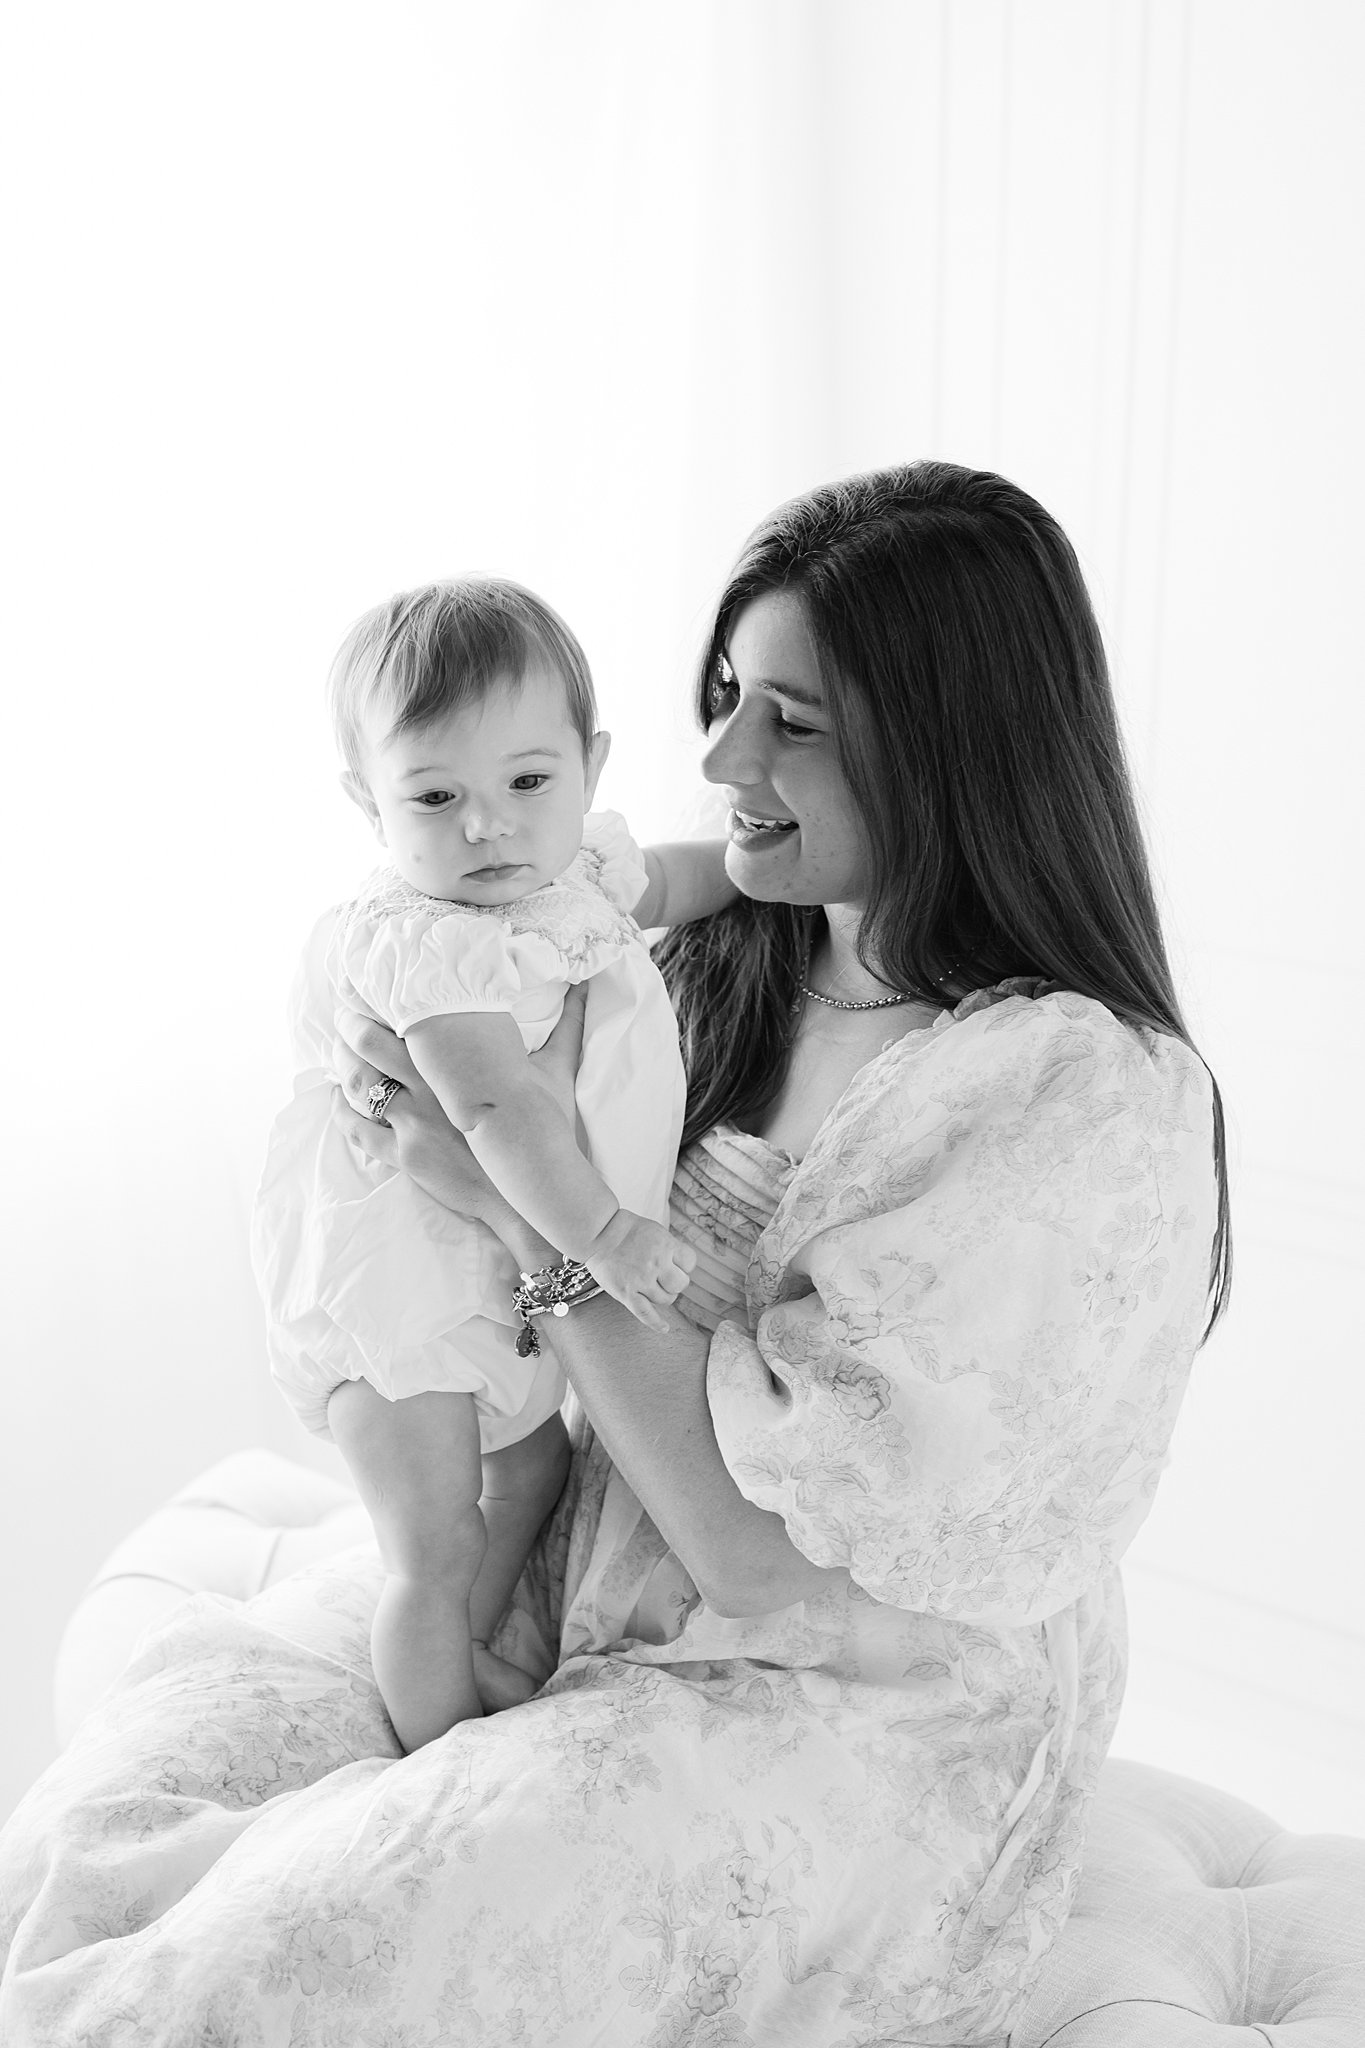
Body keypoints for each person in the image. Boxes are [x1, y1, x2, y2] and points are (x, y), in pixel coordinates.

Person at [0, 461, 1228, 2047]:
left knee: (272, 1974)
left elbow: (756, 1558)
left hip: (839, 1713)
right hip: (578, 1552)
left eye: (794, 719)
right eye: (726, 694)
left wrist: (519, 1204)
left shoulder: (1074, 1094)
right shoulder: (721, 951)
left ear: (952, 745)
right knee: (133, 1794)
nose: (719, 756)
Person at [252, 576, 727, 1749]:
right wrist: (607, 1236)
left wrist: (785, 861)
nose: (489, 827)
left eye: (528, 782)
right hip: (404, 1305)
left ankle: (452, 1647)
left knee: (531, 1482)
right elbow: (493, 1102)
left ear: (590, 765)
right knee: (437, 1536)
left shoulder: (577, 877)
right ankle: (429, 1751)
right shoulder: (422, 940)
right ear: (371, 801)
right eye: (436, 796)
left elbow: (694, 874)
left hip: (497, 1283)